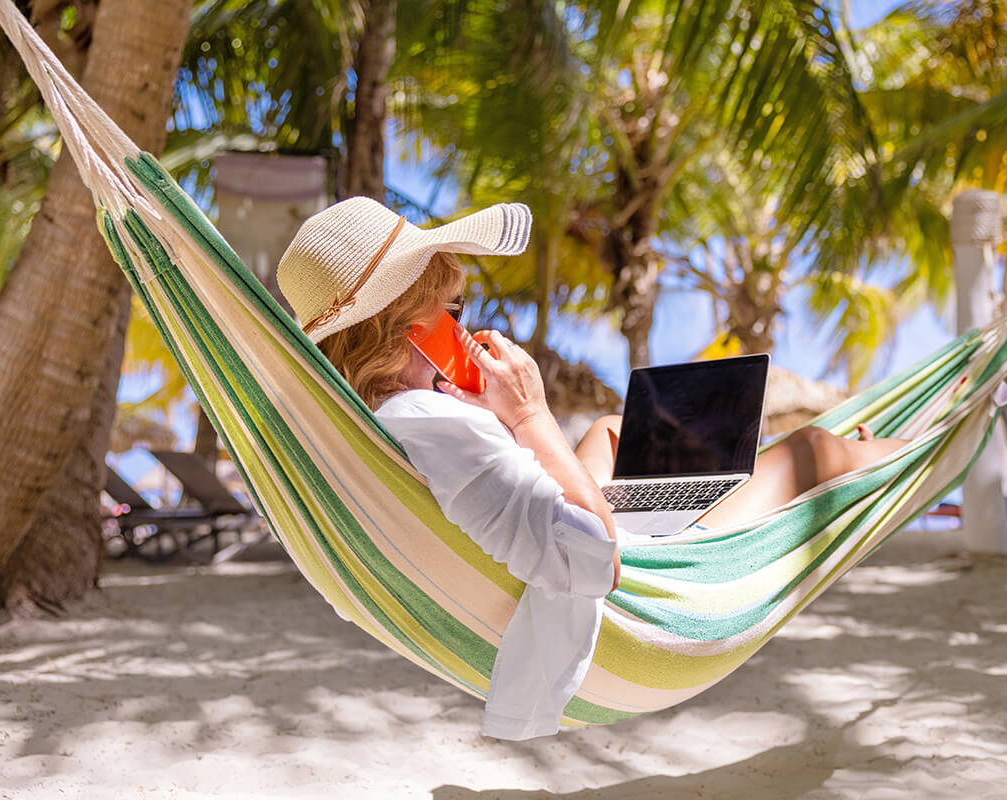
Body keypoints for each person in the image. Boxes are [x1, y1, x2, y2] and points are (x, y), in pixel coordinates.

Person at [276, 196, 906, 739]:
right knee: (814, 449)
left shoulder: (387, 417)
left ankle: (702, 497)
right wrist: (530, 417)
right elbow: (590, 560)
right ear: (412, 331)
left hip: (586, 535)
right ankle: (906, 445)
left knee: (609, 432)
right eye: (454, 312)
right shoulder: (433, 424)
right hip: (623, 595)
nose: (465, 329)